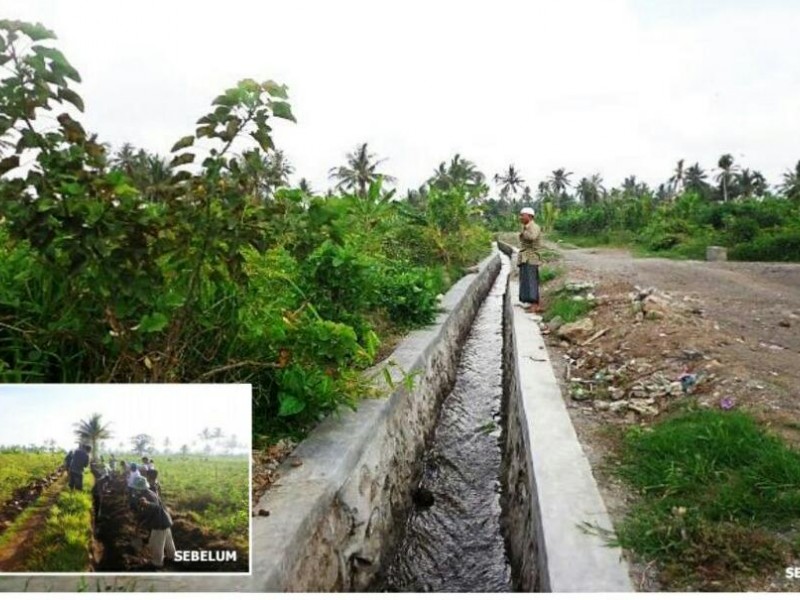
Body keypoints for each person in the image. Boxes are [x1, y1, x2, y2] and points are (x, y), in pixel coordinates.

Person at [131, 476, 176, 568]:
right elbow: (145, 512)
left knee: (156, 544)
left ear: (139, 488)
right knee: (168, 541)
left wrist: (147, 504)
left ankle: (157, 563)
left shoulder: (147, 496)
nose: (135, 490)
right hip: (165, 520)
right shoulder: (149, 493)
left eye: (135, 488)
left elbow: (155, 507)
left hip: (159, 523)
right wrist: (138, 525)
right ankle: (173, 557)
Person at [518, 207, 544, 313]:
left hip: (531, 257)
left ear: (529, 216)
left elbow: (532, 237)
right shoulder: (526, 227)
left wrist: (524, 232)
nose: (520, 217)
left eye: (522, 215)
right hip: (526, 257)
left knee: (531, 280)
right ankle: (530, 303)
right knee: (526, 280)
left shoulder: (533, 227)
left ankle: (535, 305)